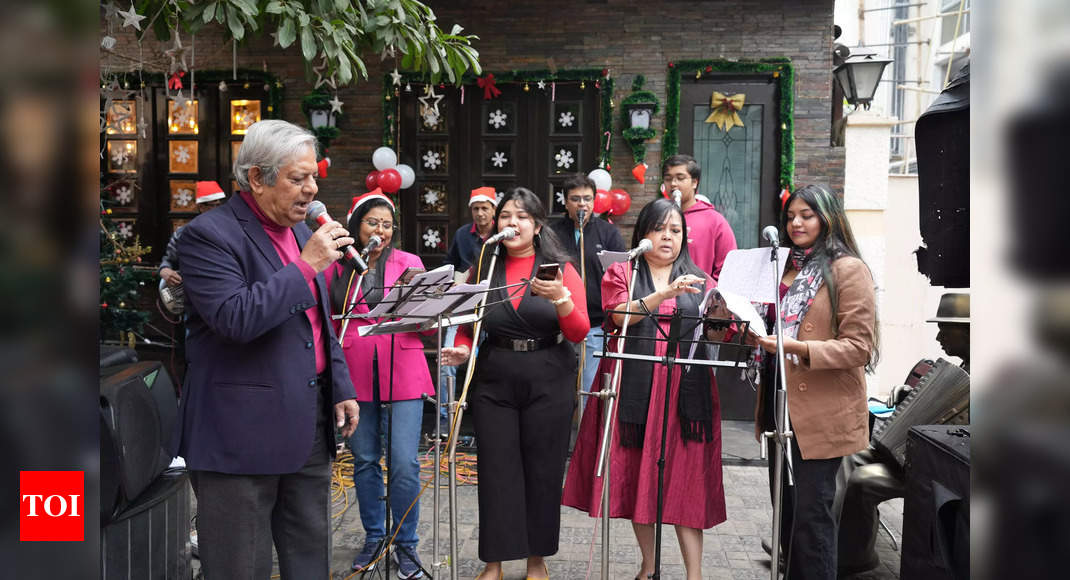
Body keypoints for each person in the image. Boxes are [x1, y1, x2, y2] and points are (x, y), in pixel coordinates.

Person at [173, 119, 360, 579]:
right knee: (241, 566)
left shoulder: (299, 232)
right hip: (239, 436)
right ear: (256, 177)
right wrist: (307, 265)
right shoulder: (208, 236)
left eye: (314, 177)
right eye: (298, 178)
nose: (311, 190)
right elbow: (235, 319)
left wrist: (340, 384)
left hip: (309, 424)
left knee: (309, 561)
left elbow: (317, 322)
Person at [563, 197, 726, 580]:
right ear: (643, 234)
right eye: (660, 228)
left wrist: (726, 314)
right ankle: (649, 565)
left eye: (675, 230)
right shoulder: (623, 271)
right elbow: (618, 315)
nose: (668, 237)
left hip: (685, 391)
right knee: (640, 476)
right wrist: (664, 295)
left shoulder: (701, 278)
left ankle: (695, 575)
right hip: (635, 385)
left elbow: (718, 331)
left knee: (686, 482)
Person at [439, 187, 589, 580]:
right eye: (506, 216)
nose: (512, 223)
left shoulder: (561, 267)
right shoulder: (484, 267)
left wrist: (561, 298)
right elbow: (469, 327)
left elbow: (579, 331)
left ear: (537, 226)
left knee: (542, 470)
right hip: (494, 379)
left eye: (522, 216)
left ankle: (536, 561)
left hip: (548, 377)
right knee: (496, 470)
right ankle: (494, 562)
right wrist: (460, 348)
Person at [754, 184, 878, 580]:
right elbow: (769, 328)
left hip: (821, 412)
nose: (796, 223)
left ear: (827, 217)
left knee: (813, 518)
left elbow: (859, 347)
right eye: (791, 216)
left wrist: (799, 348)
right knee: (788, 513)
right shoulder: (784, 267)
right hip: (779, 403)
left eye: (806, 215)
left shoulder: (848, 269)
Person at [325, 190, 433, 578]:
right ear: (356, 225)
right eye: (373, 222)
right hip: (353, 371)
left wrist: (430, 311)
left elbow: (426, 318)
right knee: (366, 459)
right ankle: (374, 536)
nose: (381, 231)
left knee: (404, 462)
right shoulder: (337, 267)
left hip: (403, 367)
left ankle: (406, 544)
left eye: (387, 225)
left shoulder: (410, 262)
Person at [836, 292, 968, 576]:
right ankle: (831, 543)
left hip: (944, 473)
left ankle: (855, 561)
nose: (938, 338)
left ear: (968, 330)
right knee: (846, 454)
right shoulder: (960, 372)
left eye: (945, 329)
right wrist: (909, 395)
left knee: (863, 480)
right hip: (917, 456)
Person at [548, 174, 627, 402]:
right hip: (557, 324)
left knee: (588, 390)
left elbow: (620, 274)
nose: (582, 204)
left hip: (594, 324)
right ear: (565, 201)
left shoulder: (608, 233)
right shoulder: (552, 233)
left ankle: (584, 436)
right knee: (557, 387)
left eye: (587, 199)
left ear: (594, 201)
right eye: (575, 199)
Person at [438, 186, 498, 434]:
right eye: (476, 209)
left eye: (485, 208)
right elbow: (449, 263)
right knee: (447, 357)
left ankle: (485, 413)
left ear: (494, 209)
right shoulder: (463, 234)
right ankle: (445, 416)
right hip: (462, 306)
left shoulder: (503, 233)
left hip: (493, 307)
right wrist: (450, 280)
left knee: (490, 360)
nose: (480, 213)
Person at [660, 154, 737, 282]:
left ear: (695, 182)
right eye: (668, 179)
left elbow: (728, 269)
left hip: (699, 296)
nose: (673, 184)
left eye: (680, 178)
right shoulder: (657, 217)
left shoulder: (714, 221)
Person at [158, 181, 226, 293]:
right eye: (213, 205)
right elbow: (169, 260)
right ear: (201, 207)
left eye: (219, 205)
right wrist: (164, 269)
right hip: (193, 295)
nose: (217, 209)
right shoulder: (183, 234)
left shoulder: (231, 231)